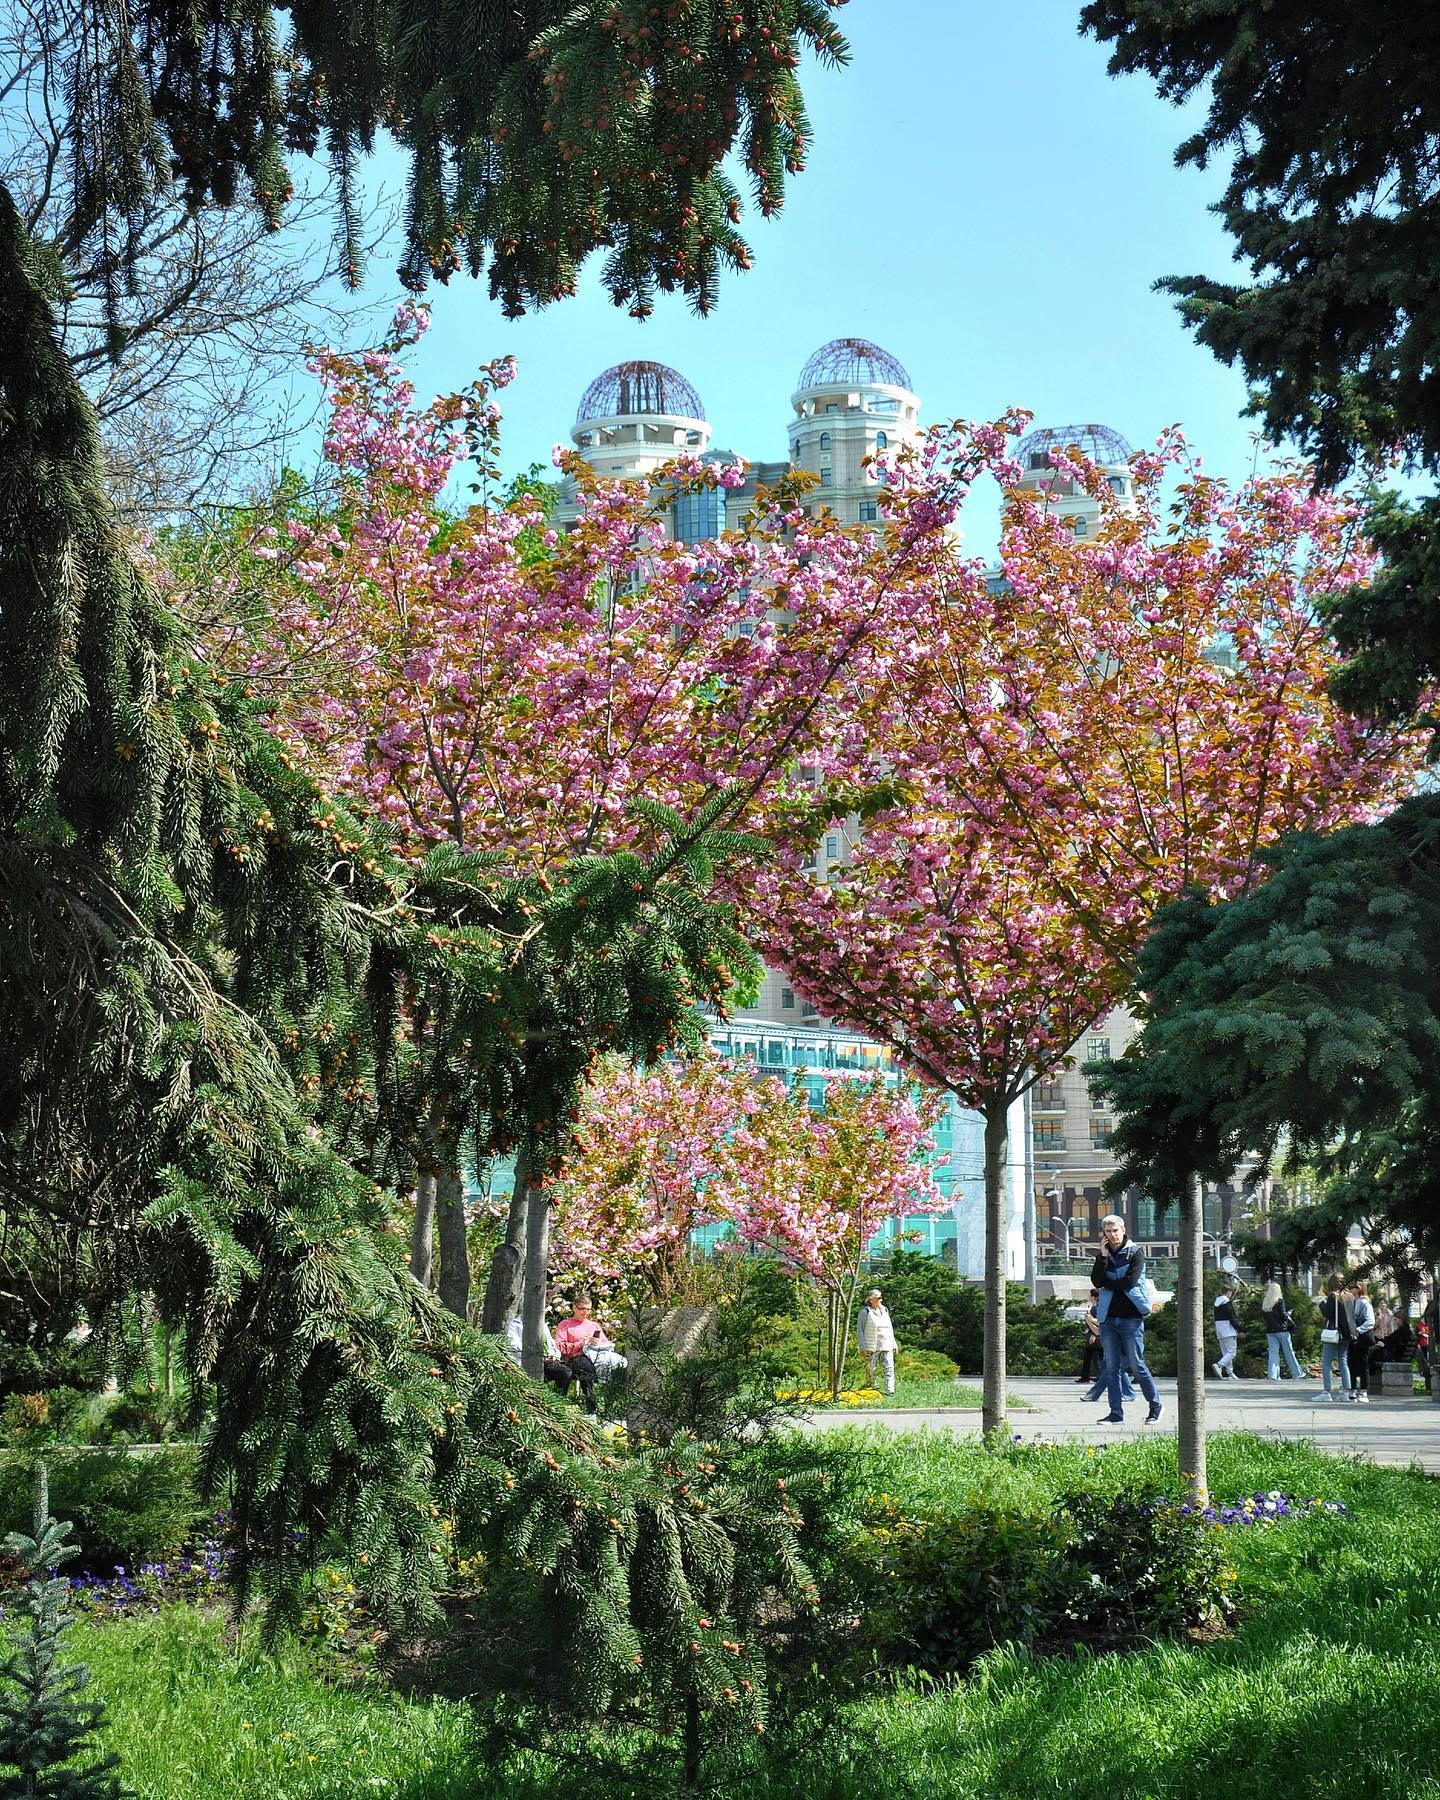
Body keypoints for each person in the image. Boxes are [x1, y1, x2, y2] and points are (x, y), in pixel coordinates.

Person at [1091, 1214, 1163, 1424]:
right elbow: (1096, 1280)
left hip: (1131, 1318)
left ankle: (1155, 1407)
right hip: (1108, 1318)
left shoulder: (1135, 1253)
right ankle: (1116, 1414)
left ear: (1123, 1230)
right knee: (1111, 1368)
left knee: (1136, 1364)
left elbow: (1129, 1282)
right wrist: (1104, 1256)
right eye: (1108, 1231)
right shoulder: (1102, 1255)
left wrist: (1107, 1283)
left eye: (1115, 1230)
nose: (1112, 1235)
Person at [554, 1291, 610, 1415]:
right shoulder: (565, 1325)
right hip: (574, 1359)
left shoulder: (594, 1326)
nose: (586, 1312)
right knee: (585, 1367)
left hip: (595, 1357)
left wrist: (597, 1343)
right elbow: (561, 1347)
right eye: (582, 1309)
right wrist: (581, 1343)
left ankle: (606, 1409)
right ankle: (591, 1407)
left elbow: (605, 1343)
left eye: (588, 1309)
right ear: (574, 1308)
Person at [1313, 1273, 1352, 1402]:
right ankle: (1346, 1392)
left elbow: (1328, 1314)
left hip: (1333, 1333)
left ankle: (1327, 1392)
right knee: (1343, 1362)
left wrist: (1321, 1304)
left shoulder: (1333, 1296)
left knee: (1326, 1363)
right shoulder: (1348, 1296)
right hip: (1346, 1334)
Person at [1260, 1277, 1305, 1380]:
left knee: (1273, 1353)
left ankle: (1273, 1375)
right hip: (1282, 1330)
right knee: (1289, 1353)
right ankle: (1297, 1373)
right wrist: (1289, 1313)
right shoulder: (1279, 1301)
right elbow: (1283, 1316)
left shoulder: (1265, 1303)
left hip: (1270, 1331)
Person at [857, 1288, 897, 1394]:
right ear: (871, 1300)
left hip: (886, 1345)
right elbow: (860, 1330)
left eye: (881, 1298)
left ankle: (890, 1391)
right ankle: (871, 1391)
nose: (881, 1300)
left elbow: (889, 1328)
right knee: (871, 1370)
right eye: (878, 1298)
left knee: (889, 1368)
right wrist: (862, 1347)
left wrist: (893, 1344)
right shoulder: (865, 1312)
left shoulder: (885, 1310)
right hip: (871, 1347)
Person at [1348, 1279, 1376, 1403]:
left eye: (1353, 1286)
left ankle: (1364, 1391)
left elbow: (1370, 1321)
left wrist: (1357, 1331)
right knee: (1351, 1364)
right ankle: (1352, 1389)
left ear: (1359, 1288)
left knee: (1363, 1365)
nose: (1351, 1288)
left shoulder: (1364, 1303)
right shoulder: (1352, 1301)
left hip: (1361, 1337)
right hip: (1352, 1337)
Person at [1212, 1283, 1241, 1379]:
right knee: (1232, 1352)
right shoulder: (1227, 1302)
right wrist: (1239, 1329)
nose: (1230, 1295)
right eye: (1230, 1293)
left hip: (1219, 1330)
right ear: (1228, 1292)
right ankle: (1219, 1365)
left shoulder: (1217, 1303)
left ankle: (1230, 1372)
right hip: (1228, 1330)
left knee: (1226, 1353)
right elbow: (1232, 1317)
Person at [1076, 1288, 1102, 1385]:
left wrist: (1094, 1335)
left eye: (1090, 1295)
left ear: (1093, 1297)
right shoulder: (1094, 1307)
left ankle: (1089, 1376)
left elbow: (1098, 1323)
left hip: (1095, 1335)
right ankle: (1086, 1376)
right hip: (1093, 1334)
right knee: (1091, 1356)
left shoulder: (1095, 1308)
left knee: (1096, 1356)